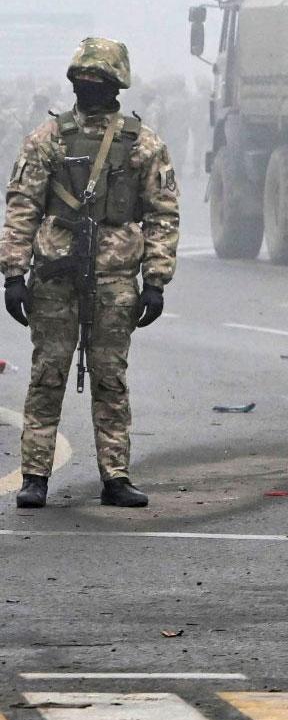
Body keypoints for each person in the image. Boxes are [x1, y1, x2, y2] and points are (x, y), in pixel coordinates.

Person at [3, 39, 178, 509]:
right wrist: (14, 273)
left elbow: (163, 213)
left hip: (115, 278)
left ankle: (115, 475)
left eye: (97, 80)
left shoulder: (142, 143)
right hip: (56, 277)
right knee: (47, 376)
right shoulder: (48, 139)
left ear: (116, 84)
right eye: (83, 79)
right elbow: (22, 207)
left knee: (110, 379)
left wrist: (156, 280)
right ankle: (35, 476)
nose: (88, 87)